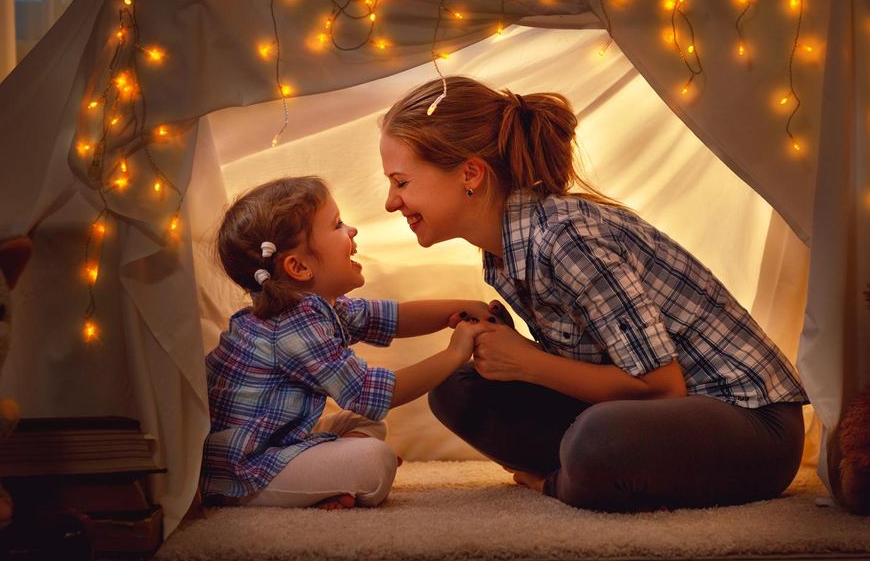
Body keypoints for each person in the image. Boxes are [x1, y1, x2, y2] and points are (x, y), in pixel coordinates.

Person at [378, 76, 809, 513]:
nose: (391, 203)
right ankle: (589, 474)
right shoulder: (503, 253)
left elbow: (661, 389)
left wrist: (528, 363)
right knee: (456, 388)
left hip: (750, 425)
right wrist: (513, 355)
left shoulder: (566, 238)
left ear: (469, 174)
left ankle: (563, 482)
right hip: (652, 417)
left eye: (401, 182)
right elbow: (599, 365)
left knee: (598, 439)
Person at [201, 175, 490, 511]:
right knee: (374, 461)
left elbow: (392, 318)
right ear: (298, 267)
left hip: (277, 439)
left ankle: (330, 479)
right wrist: (456, 353)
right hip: (244, 468)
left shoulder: (315, 308)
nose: (351, 230)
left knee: (362, 424)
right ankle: (333, 477)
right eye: (337, 225)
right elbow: (370, 393)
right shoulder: (293, 325)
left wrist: (459, 309)